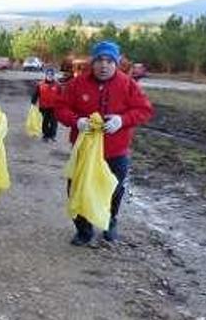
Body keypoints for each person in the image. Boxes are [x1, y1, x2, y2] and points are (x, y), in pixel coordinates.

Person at [56, 40, 154, 246]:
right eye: (99, 60)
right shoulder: (77, 84)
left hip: (116, 150)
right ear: (92, 62)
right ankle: (83, 230)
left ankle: (110, 221)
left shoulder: (128, 84)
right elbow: (61, 109)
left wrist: (122, 120)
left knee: (114, 188)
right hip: (84, 150)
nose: (103, 65)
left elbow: (144, 110)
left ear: (116, 63)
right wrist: (77, 121)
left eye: (109, 61)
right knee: (77, 188)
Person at [30, 68, 60, 142]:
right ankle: (45, 135)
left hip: (54, 107)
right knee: (45, 121)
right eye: (48, 74)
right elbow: (36, 94)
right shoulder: (40, 84)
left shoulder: (57, 85)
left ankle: (52, 135)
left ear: (53, 76)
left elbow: (61, 96)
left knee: (54, 122)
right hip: (44, 107)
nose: (50, 76)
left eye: (51, 75)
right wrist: (33, 102)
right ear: (46, 75)